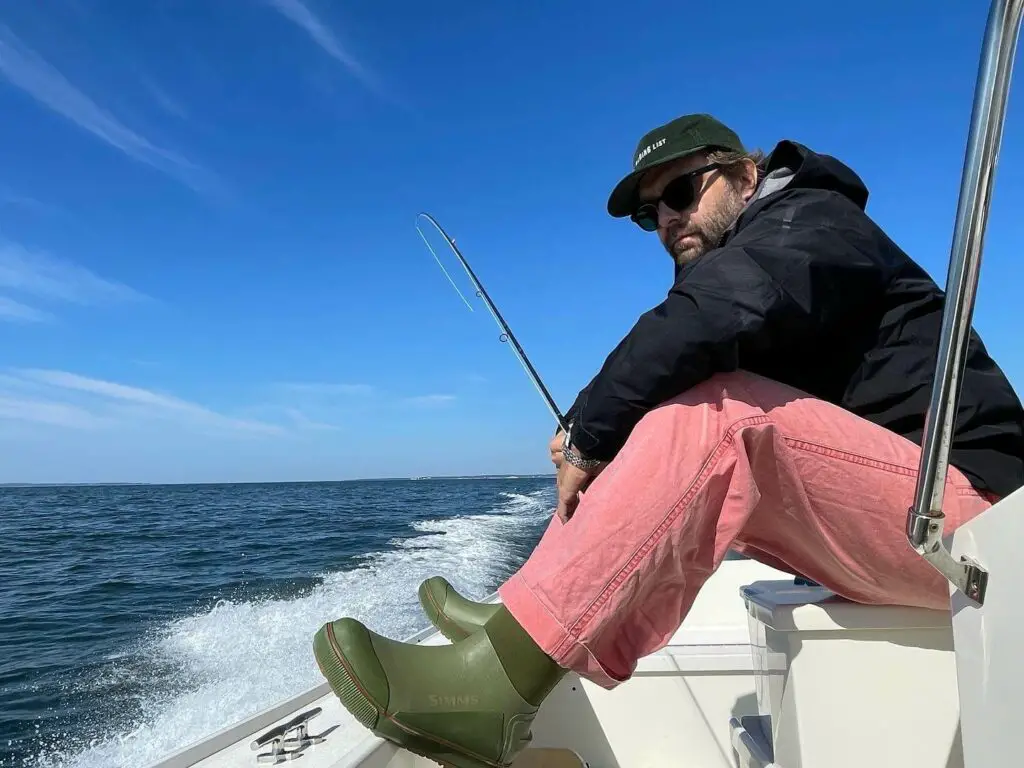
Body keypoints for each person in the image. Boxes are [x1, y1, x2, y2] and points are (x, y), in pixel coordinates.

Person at [312, 114, 1024, 768]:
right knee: (685, 420)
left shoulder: (812, 221)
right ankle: (521, 617)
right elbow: (691, 387)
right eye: (652, 213)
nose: (667, 220)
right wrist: (611, 444)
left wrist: (593, 428)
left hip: (981, 520)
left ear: (746, 175)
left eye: (682, 191)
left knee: (724, 416)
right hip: (907, 520)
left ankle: (494, 690)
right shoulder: (775, 266)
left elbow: (709, 320)